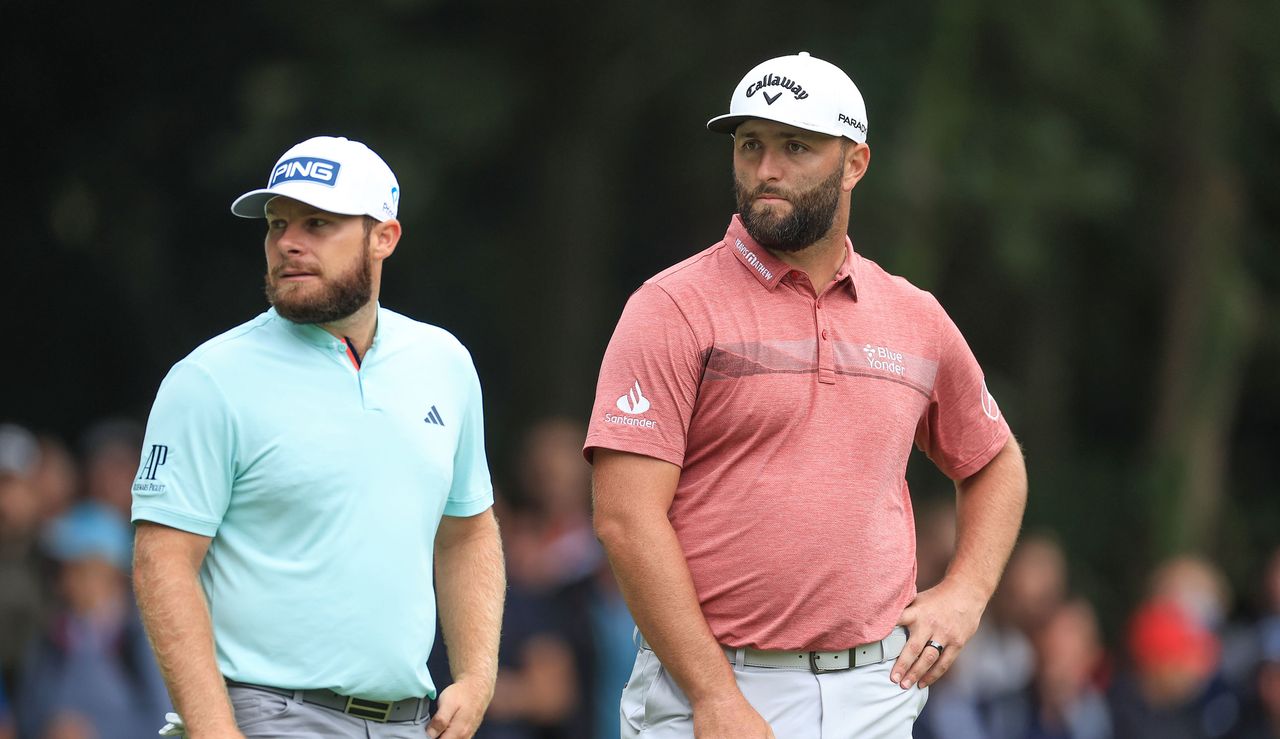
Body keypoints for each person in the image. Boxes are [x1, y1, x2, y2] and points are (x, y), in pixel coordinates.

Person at [585, 52, 1028, 739]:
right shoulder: (671, 305)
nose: (766, 168)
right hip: (714, 686)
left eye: (796, 146)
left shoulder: (914, 315)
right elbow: (624, 518)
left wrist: (966, 594)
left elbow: (995, 461)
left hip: (875, 691)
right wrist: (715, 694)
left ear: (855, 163)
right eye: (750, 145)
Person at [130, 136, 504, 738]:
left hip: (411, 722)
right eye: (277, 225)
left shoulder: (445, 363)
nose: (287, 243)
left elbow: (467, 531)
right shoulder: (207, 379)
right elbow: (163, 563)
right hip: (264, 716)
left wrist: (478, 676)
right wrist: (213, 730)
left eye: (317, 224)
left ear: (384, 237)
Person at [15, 501, 170, 739]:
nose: (64, 582)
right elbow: (25, 714)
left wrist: (98, 733)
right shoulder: (51, 635)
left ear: (106, 571)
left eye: (76, 569)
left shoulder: (142, 638)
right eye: (61, 570)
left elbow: (167, 725)